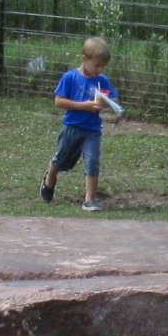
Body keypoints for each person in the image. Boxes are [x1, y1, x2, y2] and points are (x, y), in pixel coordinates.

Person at [41, 35, 121, 210]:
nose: (100, 69)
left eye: (103, 66)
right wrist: (83, 106)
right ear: (84, 59)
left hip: (92, 130)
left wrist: (105, 102)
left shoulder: (101, 80)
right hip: (72, 127)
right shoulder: (70, 77)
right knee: (61, 160)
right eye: (97, 65)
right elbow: (59, 101)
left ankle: (89, 199)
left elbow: (112, 97)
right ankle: (49, 180)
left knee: (92, 161)